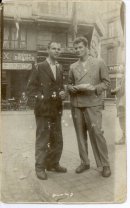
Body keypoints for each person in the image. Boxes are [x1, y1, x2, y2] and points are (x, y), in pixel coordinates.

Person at [68, 37, 111, 177]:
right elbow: (69, 83)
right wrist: (70, 88)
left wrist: (94, 88)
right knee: (80, 135)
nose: (78, 50)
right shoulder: (73, 66)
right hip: (77, 104)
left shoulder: (99, 62)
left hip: (93, 103)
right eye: (76, 48)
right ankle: (85, 162)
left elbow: (106, 83)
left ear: (86, 47)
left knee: (97, 134)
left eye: (80, 47)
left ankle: (105, 164)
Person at [27, 41, 67, 180]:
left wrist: (63, 92)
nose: (57, 51)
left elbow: (61, 86)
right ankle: (40, 167)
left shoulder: (60, 67)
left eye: (58, 49)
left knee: (57, 138)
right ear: (47, 50)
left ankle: (53, 164)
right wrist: (42, 98)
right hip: (43, 109)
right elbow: (31, 89)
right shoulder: (39, 67)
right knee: (43, 139)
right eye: (54, 48)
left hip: (56, 109)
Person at [111, 75, 125, 144]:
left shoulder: (125, 76)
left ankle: (124, 138)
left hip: (123, 102)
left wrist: (113, 91)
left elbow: (121, 90)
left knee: (122, 119)